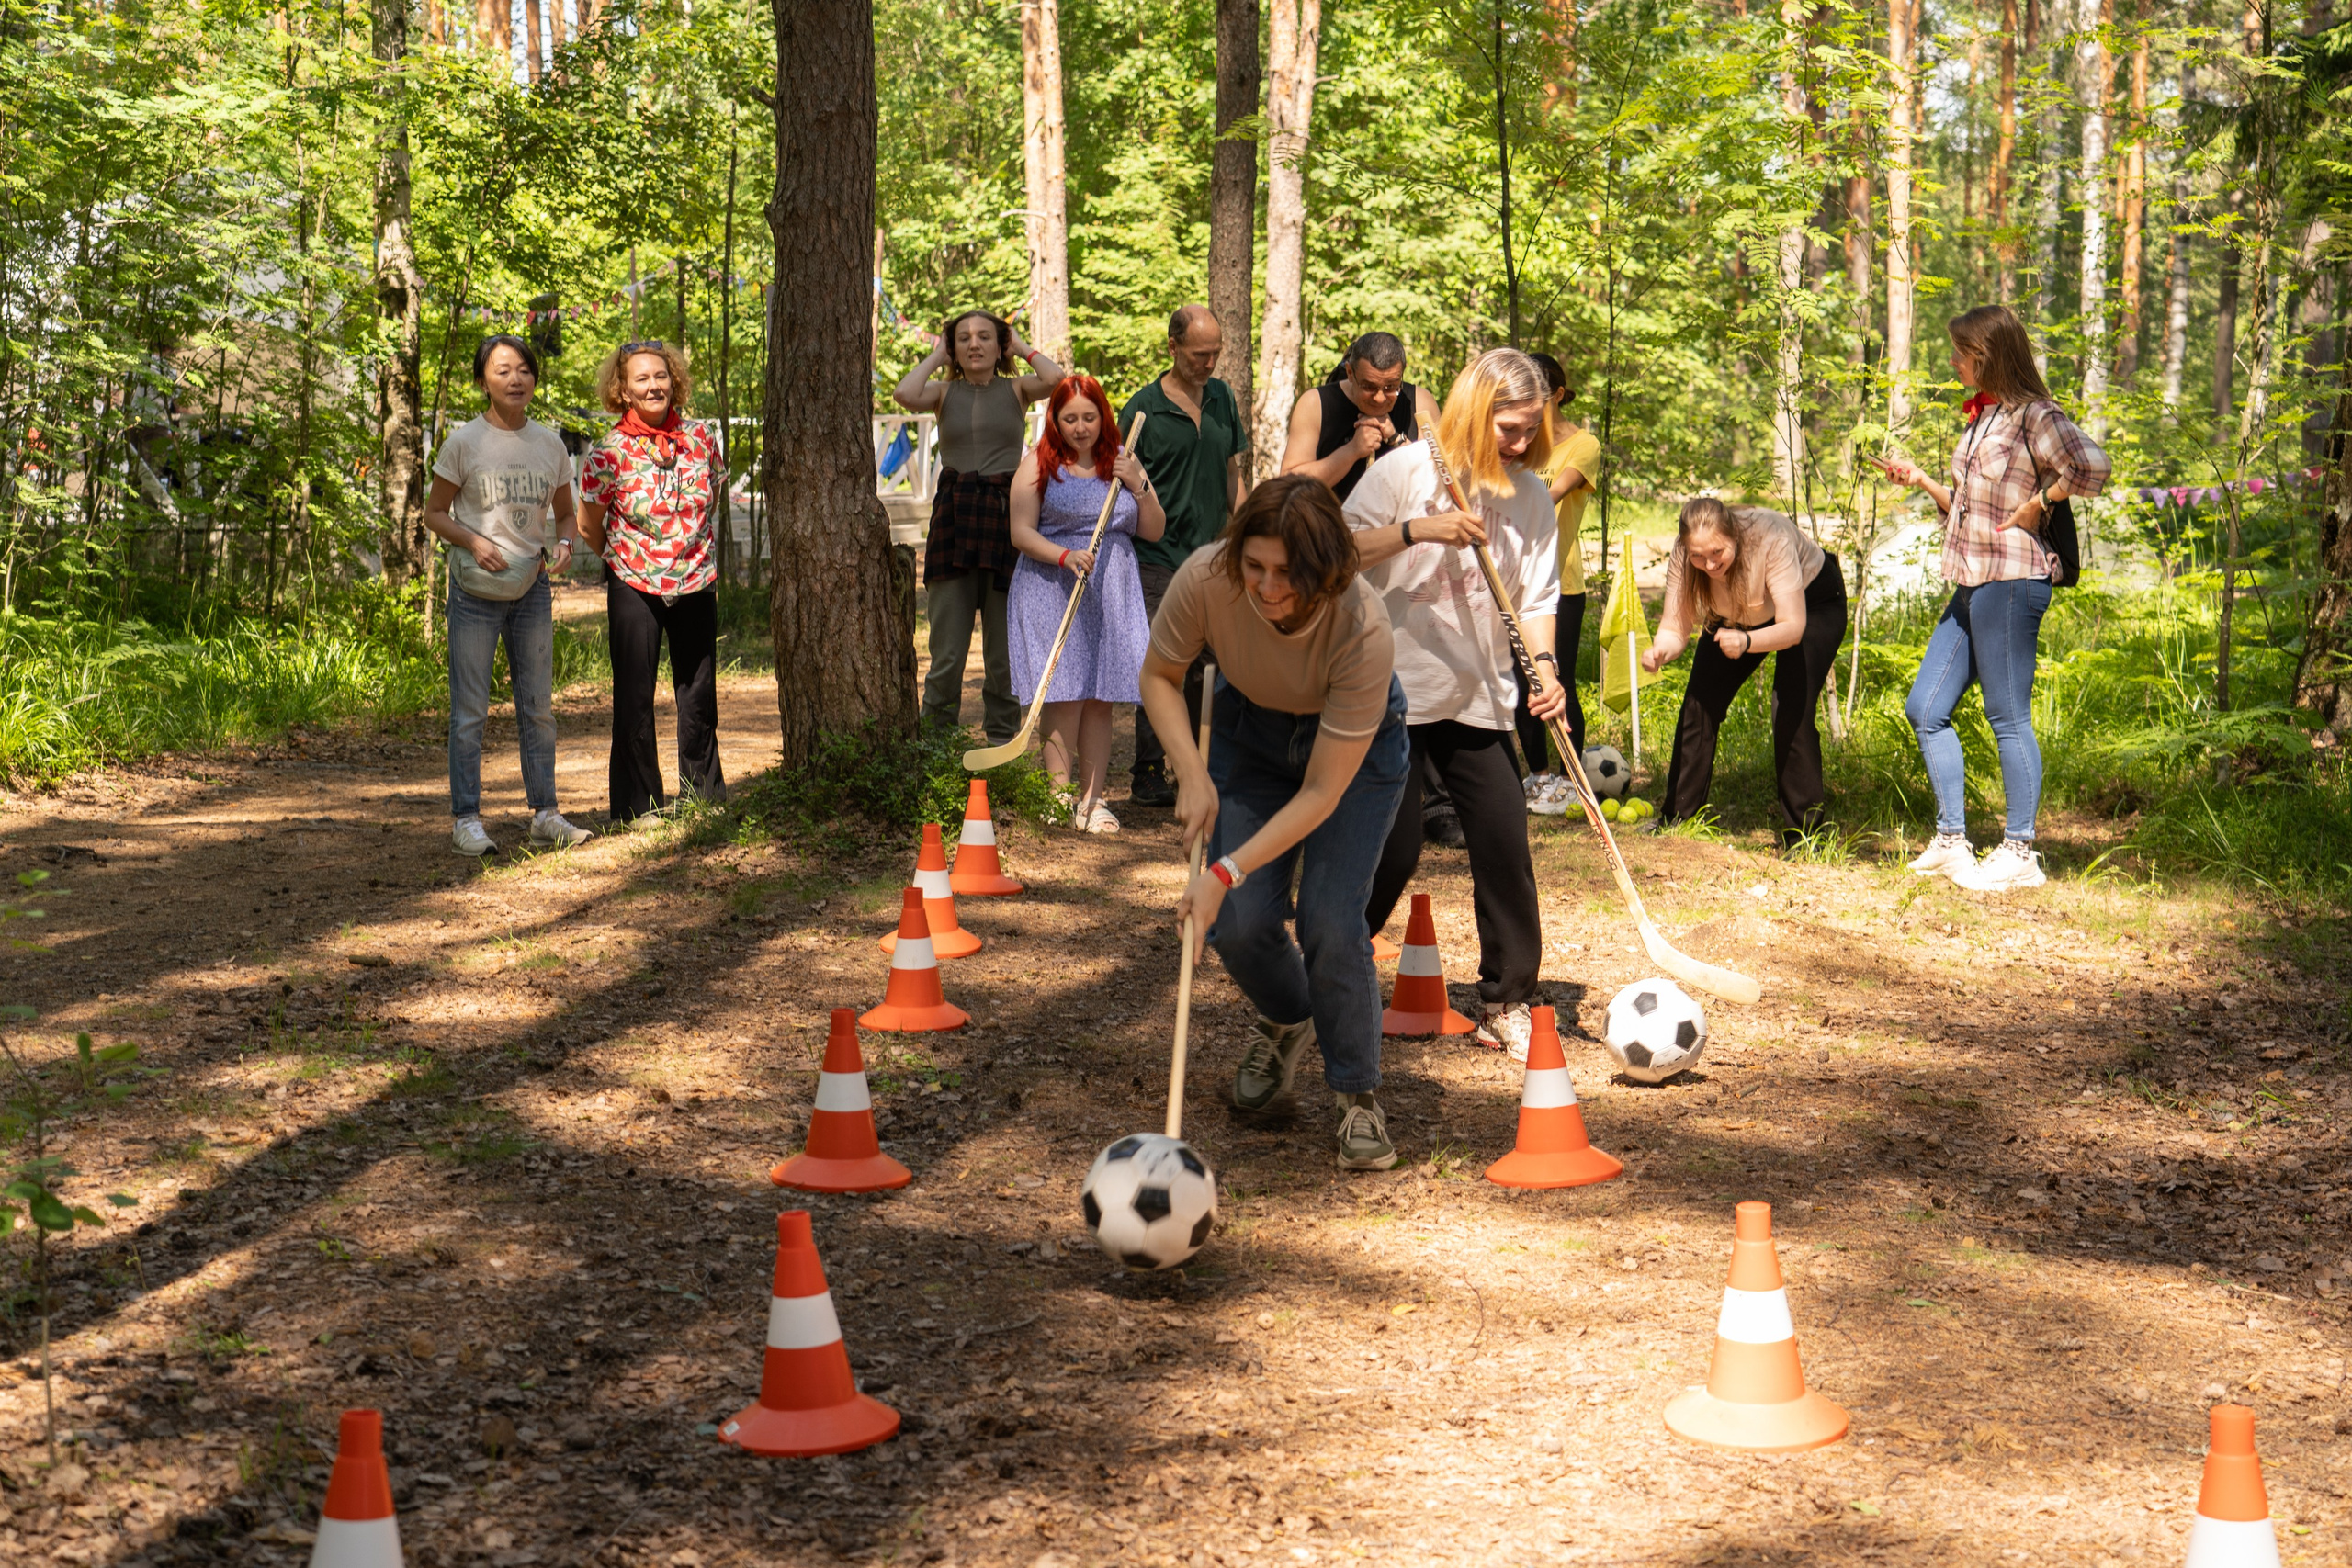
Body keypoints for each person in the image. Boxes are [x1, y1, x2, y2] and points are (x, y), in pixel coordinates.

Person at [1149, 476, 1408, 1170]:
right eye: (1254, 566)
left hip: (1352, 754)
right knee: (1236, 923)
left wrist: (1226, 868)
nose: (1265, 587)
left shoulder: (1362, 626)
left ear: (1326, 571)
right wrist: (1193, 772)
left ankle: (1356, 1092)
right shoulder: (1207, 575)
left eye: (1287, 574)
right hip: (1251, 733)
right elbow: (1160, 676)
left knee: (1329, 918)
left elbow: (1323, 792)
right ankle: (1291, 1016)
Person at [1344, 347, 1567, 1062]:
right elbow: (1335, 549)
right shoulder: (1407, 473)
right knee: (1393, 847)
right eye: (1509, 427)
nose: (1522, 441)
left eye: (1531, 427)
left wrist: (1547, 668)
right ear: (1475, 412)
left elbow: (1535, 599)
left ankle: (1509, 994)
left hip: (1479, 695)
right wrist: (1420, 530)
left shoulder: (1530, 495)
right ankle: (1328, 960)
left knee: (1504, 841)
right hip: (1394, 689)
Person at [1876, 304, 2110, 892]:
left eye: (1960, 352)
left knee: (2008, 716)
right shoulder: (1983, 418)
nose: (1953, 361)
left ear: (1986, 355)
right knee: (1926, 708)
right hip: (1971, 580)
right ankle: (1953, 840)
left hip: (2011, 581)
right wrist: (1925, 481)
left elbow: (2094, 466)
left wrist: (2044, 501)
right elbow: (1968, 509)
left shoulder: (2035, 415)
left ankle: (2020, 850)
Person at [424, 334, 594, 857]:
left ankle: (545, 813)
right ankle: (466, 819)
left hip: (531, 588)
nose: (515, 378)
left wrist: (565, 542)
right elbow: (433, 514)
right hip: (475, 590)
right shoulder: (463, 443)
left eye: (523, 369)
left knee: (538, 707)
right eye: (502, 370)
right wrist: (473, 540)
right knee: (470, 710)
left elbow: (566, 513)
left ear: (534, 379)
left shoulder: (549, 445)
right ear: (483, 382)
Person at [892, 312, 1067, 746]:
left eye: (985, 337)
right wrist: (937, 355)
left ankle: (1002, 747)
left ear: (999, 345)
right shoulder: (943, 392)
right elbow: (903, 393)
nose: (975, 345)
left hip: (1008, 521)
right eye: (964, 338)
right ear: (954, 347)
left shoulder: (1017, 388)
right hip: (954, 519)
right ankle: (936, 750)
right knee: (947, 654)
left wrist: (1023, 349)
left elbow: (1058, 379)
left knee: (1003, 656)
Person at [1640, 499, 1849, 848]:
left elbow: (1792, 627)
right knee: (1700, 702)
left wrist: (1748, 641)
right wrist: (1661, 650)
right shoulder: (1686, 554)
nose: (1708, 564)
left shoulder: (1770, 537)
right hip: (1739, 617)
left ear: (1733, 535)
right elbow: (1675, 625)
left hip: (1811, 604)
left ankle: (1805, 836)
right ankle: (1679, 818)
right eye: (1697, 556)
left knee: (1790, 706)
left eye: (1717, 553)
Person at [1006, 375, 1165, 831]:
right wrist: (1063, 555)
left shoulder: (1122, 462)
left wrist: (1139, 484)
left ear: (1103, 417)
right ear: (1055, 419)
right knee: (1063, 692)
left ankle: (1093, 803)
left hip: (1111, 586)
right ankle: (1056, 795)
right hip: (1053, 583)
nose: (1080, 427)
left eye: (1089, 417)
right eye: (1070, 418)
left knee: (1100, 696)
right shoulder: (1040, 462)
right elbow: (1020, 532)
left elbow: (1153, 529)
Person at [578, 339, 729, 822]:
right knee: (634, 697)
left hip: (695, 580)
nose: (653, 385)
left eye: (660, 376)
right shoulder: (608, 451)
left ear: (674, 381)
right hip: (633, 582)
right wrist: (623, 558)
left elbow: (714, 497)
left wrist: (687, 550)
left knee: (699, 694)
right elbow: (588, 523)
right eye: (641, 378)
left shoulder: (703, 438)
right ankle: (637, 806)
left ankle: (702, 797)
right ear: (622, 390)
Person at [1121, 305, 1251, 807]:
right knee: (1166, 664)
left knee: (1217, 664)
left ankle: (1204, 763)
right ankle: (1149, 770)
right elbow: (1121, 486)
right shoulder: (1142, 411)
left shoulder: (1221, 398)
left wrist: (1248, 533)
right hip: (1157, 557)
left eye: (1216, 354)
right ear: (1172, 347)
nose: (1210, 364)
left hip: (1215, 557)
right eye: (1200, 354)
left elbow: (1231, 472)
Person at [1520, 351, 1601, 816]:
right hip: (1511, 580)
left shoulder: (1582, 445)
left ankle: (1572, 780)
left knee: (1558, 678)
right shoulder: (1517, 440)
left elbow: (1547, 497)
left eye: (1535, 391)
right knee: (1518, 681)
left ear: (1555, 393)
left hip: (1559, 582)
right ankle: (1537, 777)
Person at [1275, 332, 1442, 502]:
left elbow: (1441, 480)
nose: (1379, 398)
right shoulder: (1315, 404)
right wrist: (1352, 450)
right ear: (1349, 373)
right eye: (1369, 386)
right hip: (1330, 526)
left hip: (1403, 527)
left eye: (1391, 387)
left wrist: (1396, 439)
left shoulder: (1420, 403)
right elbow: (1288, 485)